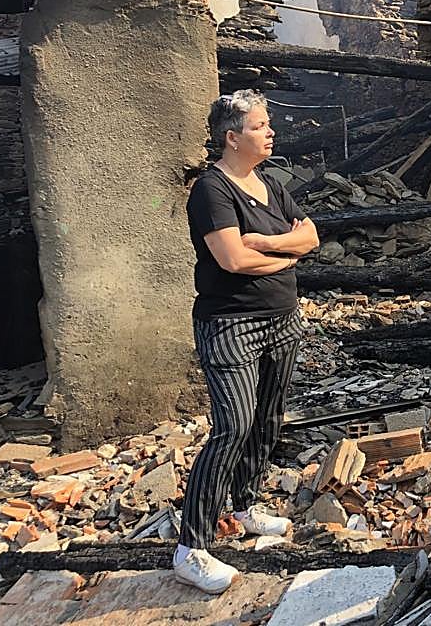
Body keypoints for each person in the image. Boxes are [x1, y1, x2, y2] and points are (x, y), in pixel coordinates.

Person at [173, 90, 321, 593]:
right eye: (261, 126)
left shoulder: (271, 185)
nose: (271, 132)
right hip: (231, 324)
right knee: (232, 426)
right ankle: (191, 546)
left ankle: (245, 505)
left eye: (268, 124)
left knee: (265, 422)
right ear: (232, 137)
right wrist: (286, 253)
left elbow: (312, 237)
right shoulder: (212, 191)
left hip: (283, 320)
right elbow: (233, 260)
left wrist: (270, 244)